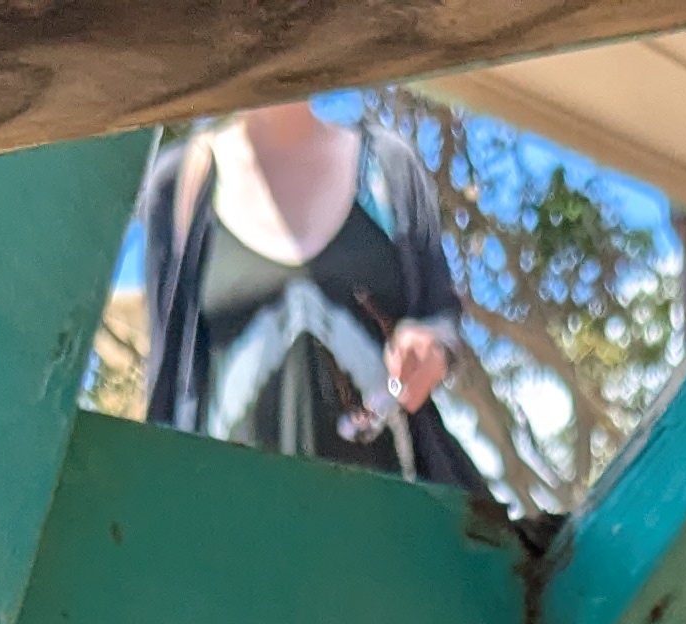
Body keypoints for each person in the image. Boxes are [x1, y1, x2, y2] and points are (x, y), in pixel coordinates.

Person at [132, 103, 485, 493]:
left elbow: (441, 319)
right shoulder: (181, 184)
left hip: (386, 514)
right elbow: (166, 384)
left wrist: (431, 347)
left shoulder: (386, 167)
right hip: (228, 512)